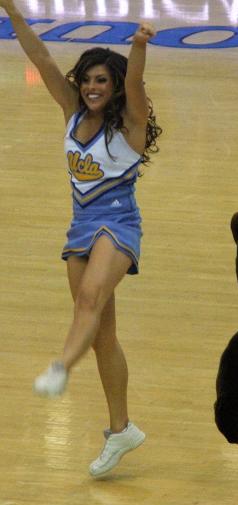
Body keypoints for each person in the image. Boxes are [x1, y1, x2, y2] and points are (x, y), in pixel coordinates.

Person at [0, 0, 162, 477]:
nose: (92, 87)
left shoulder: (131, 125)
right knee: (101, 335)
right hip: (80, 227)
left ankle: (60, 368)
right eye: (87, 79)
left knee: (89, 299)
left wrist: (137, 46)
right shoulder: (71, 111)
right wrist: (12, 11)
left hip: (118, 223)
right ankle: (121, 429)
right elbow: (42, 58)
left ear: (114, 87)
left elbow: (137, 83)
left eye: (102, 80)